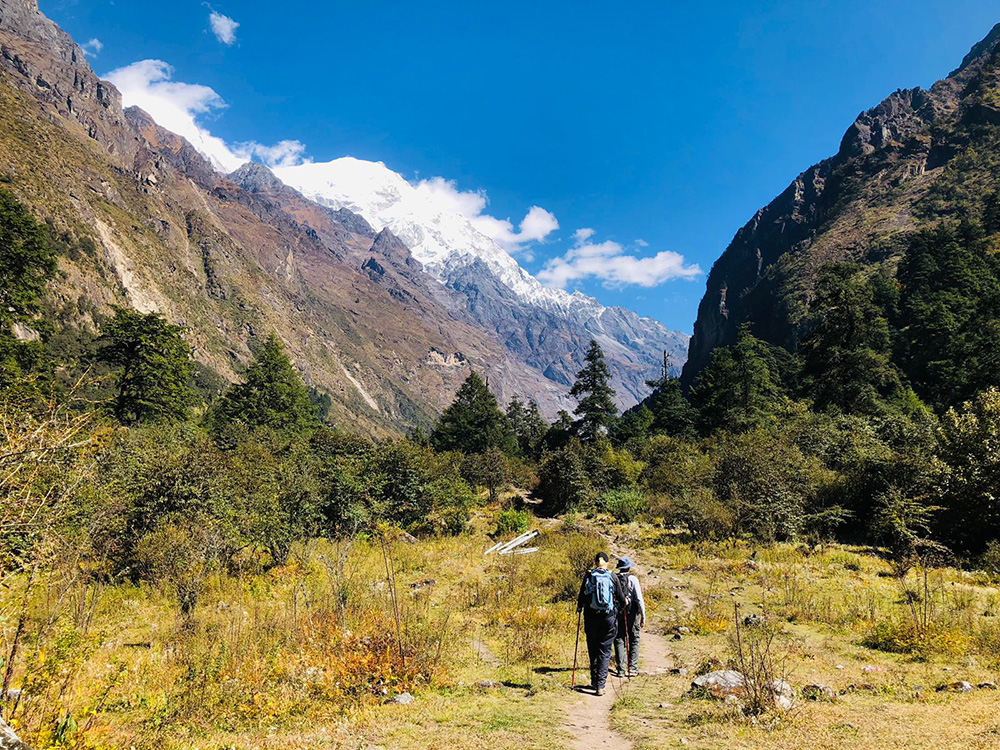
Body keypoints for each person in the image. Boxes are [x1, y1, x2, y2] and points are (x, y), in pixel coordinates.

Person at [576, 552, 626, 695]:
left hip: (591, 617)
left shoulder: (589, 575)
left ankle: (594, 680)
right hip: (608, 618)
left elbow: (581, 597)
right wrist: (621, 607)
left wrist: (580, 608)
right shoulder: (612, 576)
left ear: (595, 562)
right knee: (605, 651)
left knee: (593, 649)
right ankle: (600, 685)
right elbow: (621, 599)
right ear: (607, 563)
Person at [613, 557, 646, 677]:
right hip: (632, 612)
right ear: (629, 567)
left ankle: (621, 669)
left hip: (618, 612)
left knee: (619, 638)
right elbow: (639, 599)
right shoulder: (633, 579)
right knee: (634, 638)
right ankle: (632, 668)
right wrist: (643, 616)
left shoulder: (614, 578)